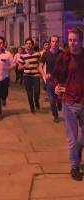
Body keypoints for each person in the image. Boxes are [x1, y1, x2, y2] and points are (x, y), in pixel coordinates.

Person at [53, 28, 84, 181]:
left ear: (81, 41)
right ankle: (74, 166)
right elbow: (55, 76)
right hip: (69, 102)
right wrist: (57, 86)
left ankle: (78, 151)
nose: (72, 43)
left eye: (75, 40)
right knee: (72, 137)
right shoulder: (64, 57)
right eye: (70, 40)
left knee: (82, 138)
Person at [39, 35, 63, 122]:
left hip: (60, 81)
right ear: (50, 42)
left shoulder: (62, 54)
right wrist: (44, 74)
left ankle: (59, 102)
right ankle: (55, 115)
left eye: (56, 41)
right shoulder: (46, 54)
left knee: (58, 98)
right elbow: (40, 66)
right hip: (49, 81)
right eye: (53, 41)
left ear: (58, 43)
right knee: (52, 100)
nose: (54, 43)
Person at [18, 38, 41, 113]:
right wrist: (24, 65)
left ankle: (36, 101)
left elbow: (41, 64)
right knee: (29, 93)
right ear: (25, 45)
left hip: (36, 75)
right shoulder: (22, 56)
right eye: (27, 44)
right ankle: (32, 107)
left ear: (33, 45)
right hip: (27, 76)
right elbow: (19, 67)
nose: (28, 45)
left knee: (37, 92)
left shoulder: (37, 54)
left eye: (30, 44)